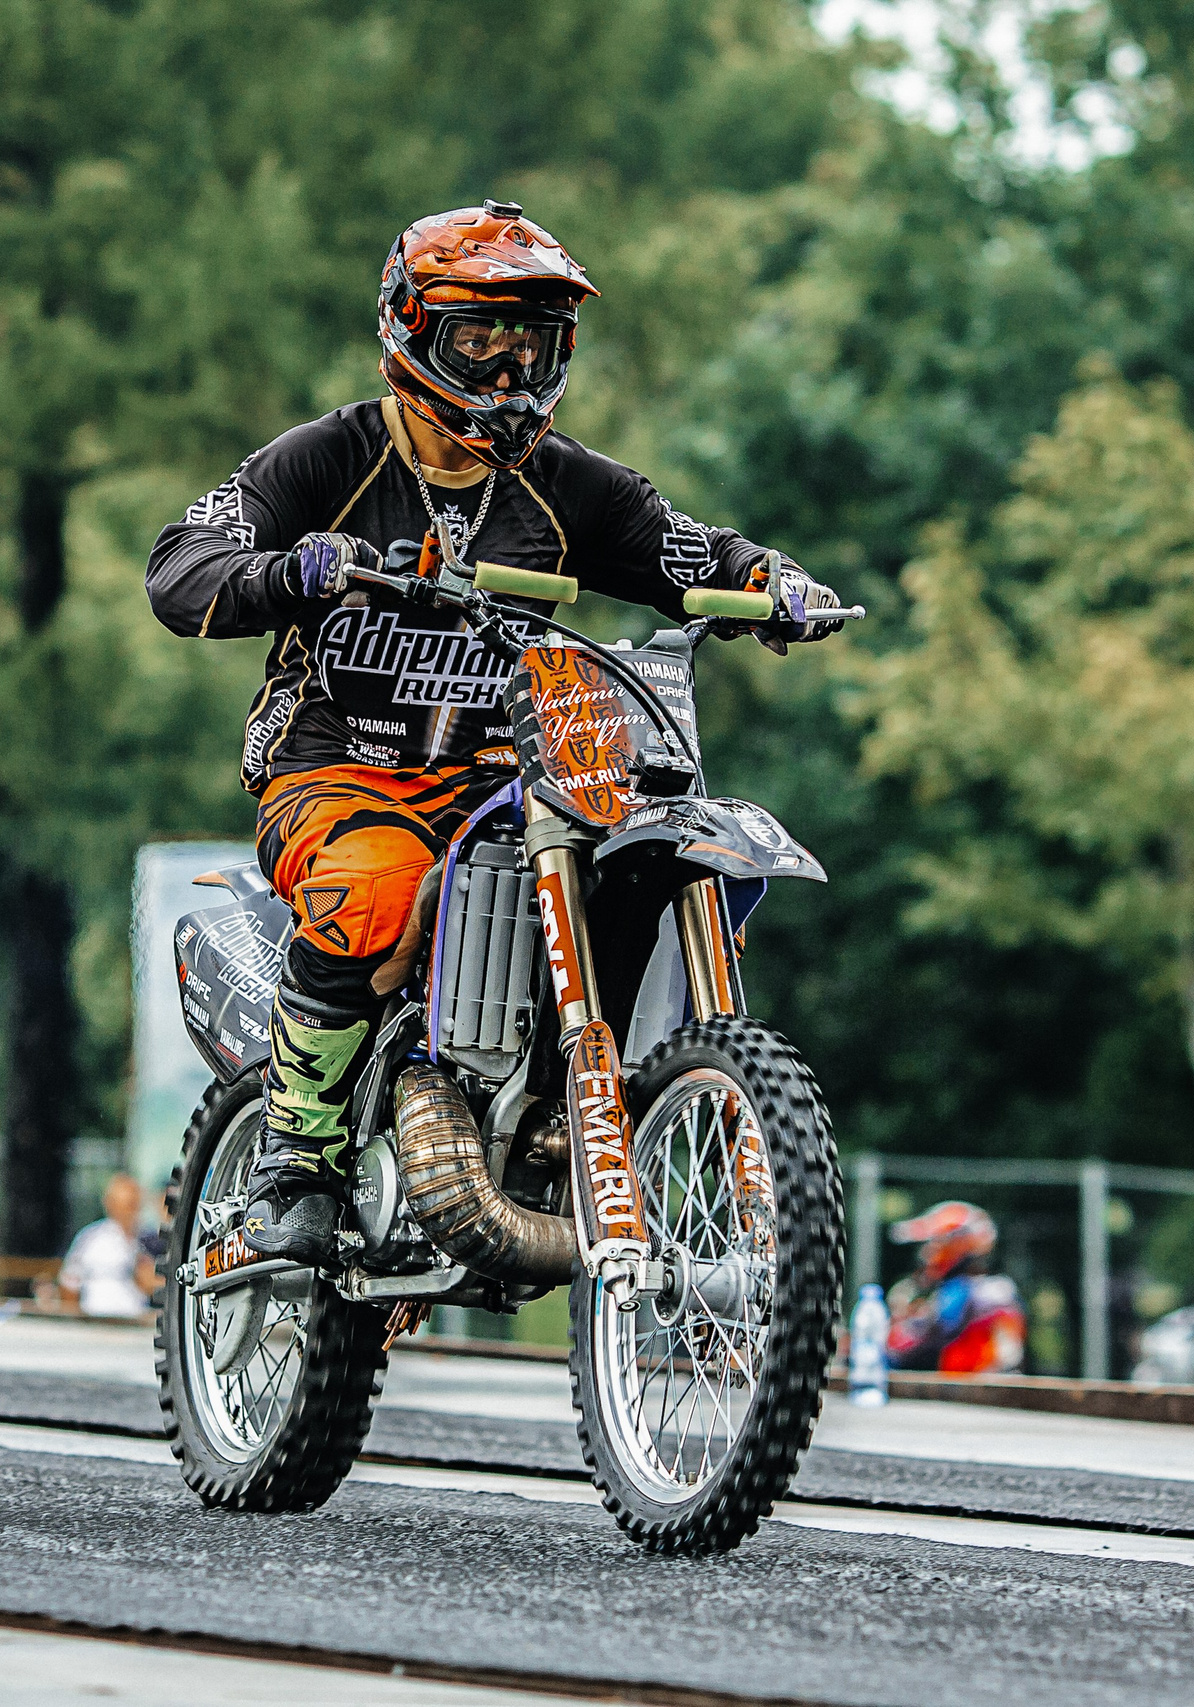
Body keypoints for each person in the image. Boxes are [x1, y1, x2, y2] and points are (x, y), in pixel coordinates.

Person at [145, 199, 842, 1266]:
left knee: (635, 852)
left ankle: (582, 1105)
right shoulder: (326, 460)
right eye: (481, 338)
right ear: (410, 328)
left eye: (534, 342)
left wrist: (774, 581)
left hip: (506, 775)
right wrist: (292, 571)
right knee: (377, 887)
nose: (510, 369)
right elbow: (179, 565)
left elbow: (689, 552)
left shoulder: (574, 486)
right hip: (335, 771)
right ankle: (299, 1159)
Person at [885, 1200, 1026, 1374]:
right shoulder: (977, 1291)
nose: (927, 1254)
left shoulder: (974, 1293)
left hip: (971, 1392)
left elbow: (905, 1349)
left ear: (959, 1246)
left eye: (936, 1243)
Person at [59, 1173, 156, 1318]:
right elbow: (69, 1285)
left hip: (137, 1326)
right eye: (127, 1205)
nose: (131, 1212)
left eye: (134, 1204)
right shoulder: (90, 1238)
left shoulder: (153, 1240)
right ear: (110, 1204)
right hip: (95, 1324)